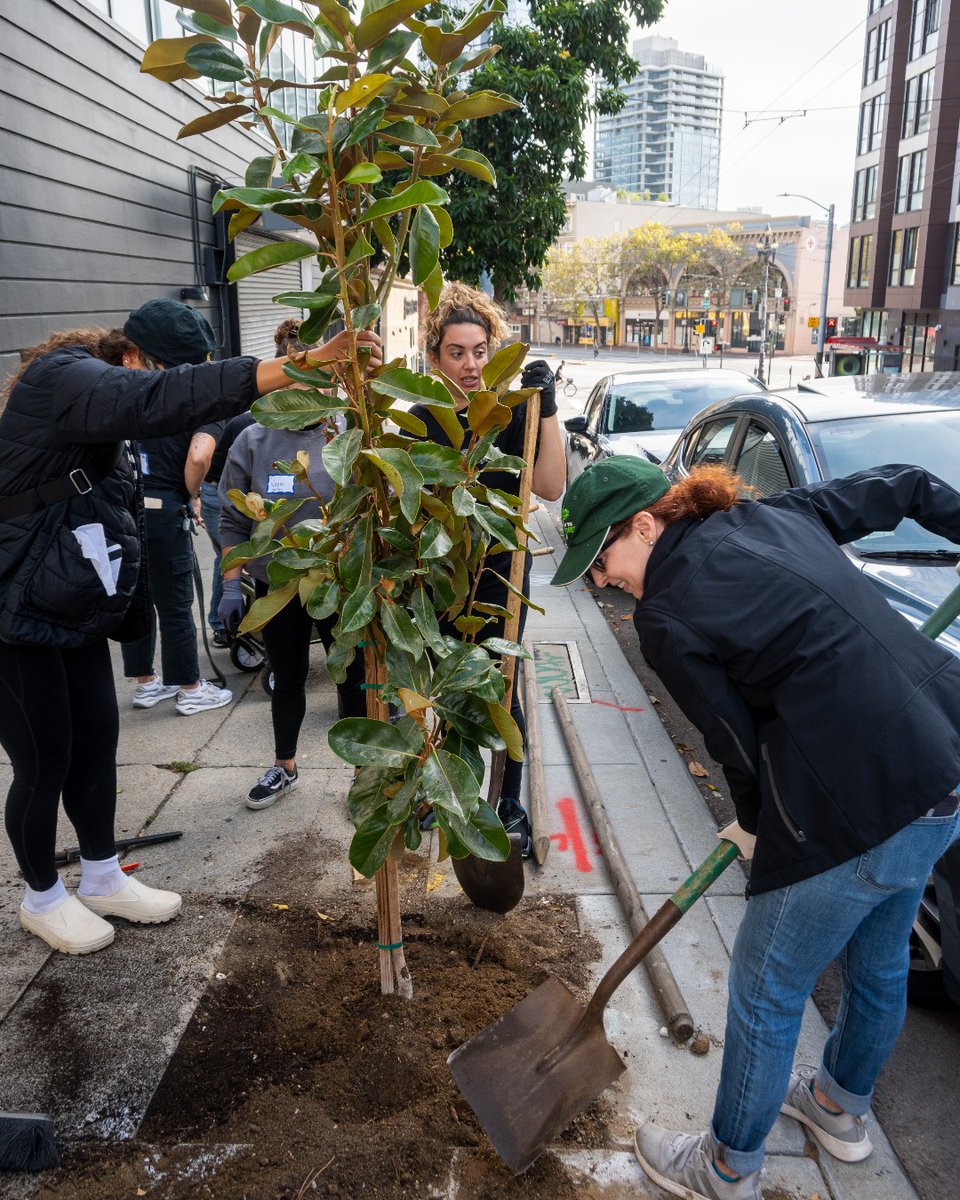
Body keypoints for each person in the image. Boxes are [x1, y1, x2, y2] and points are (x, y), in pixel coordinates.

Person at [551, 455, 960, 1200]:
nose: (600, 581)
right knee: (879, 963)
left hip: (857, 801)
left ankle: (726, 1167)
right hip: (941, 771)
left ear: (645, 524)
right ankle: (839, 1109)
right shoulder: (775, 514)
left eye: (601, 561)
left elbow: (732, 741)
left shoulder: (665, 614)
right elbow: (901, 485)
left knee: (767, 989)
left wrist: (756, 822)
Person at [0, 302, 381, 955]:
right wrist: (304, 364)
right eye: (156, 372)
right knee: (44, 761)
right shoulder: (64, 378)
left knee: (96, 743)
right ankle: (41, 898)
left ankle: (99, 875)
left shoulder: (95, 395)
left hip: (70, 607)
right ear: (132, 358)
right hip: (15, 614)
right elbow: (161, 400)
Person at [412, 283, 566, 855]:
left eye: (480, 351)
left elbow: (550, 486)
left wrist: (546, 407)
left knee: (500, 688)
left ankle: (509, 802)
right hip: (441, 575)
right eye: (457, 352)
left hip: (502, 572)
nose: (472, 364)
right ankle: (450, 791)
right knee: (448, 683)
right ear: (435, 358)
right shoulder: (422, 418)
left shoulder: (512, 414)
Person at [217, 319, 365, 810]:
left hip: (338, 585)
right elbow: (234, 522)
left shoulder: (346, 434)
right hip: (279, 586)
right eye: (296, 375)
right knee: (287, 679)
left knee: (351, 678)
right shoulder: (251, 442)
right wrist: (232, 586)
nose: (307, 387)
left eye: (317, 375)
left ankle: (364, 773)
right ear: (281, 375)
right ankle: (285, 767)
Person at [118, 305, 233, 714]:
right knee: (176, 600)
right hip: (166, 508)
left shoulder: (133, 388)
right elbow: (200, 456)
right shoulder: (202, 399)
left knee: (137, 594)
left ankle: (147, 682)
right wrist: (192, 493)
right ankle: (189, 687)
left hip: (128, 505)